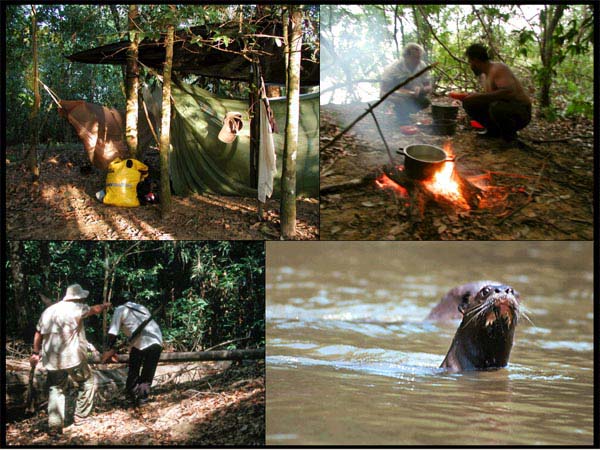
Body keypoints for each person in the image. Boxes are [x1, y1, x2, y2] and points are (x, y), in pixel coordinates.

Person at [30, 284, 111, 435]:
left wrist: (36, 352)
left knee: (56, 388)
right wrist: (105, 305)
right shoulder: (76, 308)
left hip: (52, 360)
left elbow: (38, 333)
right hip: (72, 358)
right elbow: (95, 309)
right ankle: (81, 417)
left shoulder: (49, 311)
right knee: (87, 382)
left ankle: (55, 425)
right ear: (78, 298)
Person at [462, 43, 532, 142]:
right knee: (470, 102)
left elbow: (508, 92)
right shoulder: (484, 76)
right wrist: (473, 97)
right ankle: (493, 131)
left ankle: (510, 138)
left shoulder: (498, 68)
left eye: (470, 62)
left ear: (476, 61)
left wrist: (479, 96)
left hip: (521, 112)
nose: (470, 66)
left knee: (497, 106)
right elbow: (489, 98)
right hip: (503, 107)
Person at [102, 300, 163, 406]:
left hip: (141, 343)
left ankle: (132, 397)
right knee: (147, 373)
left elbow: (113, 332)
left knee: (134, 370)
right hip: (157, 340)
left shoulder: (120, 309)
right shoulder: (141, 308)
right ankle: (141, 400)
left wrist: (109, 350)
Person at [380, 43, 432, 123]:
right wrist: (395, 99)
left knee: (425, 102)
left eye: (419, 58)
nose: (418, 61)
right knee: (402, 106)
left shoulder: (422, 65)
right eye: (414, 58)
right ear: (406, 57)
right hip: (396, 96)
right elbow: (382, 93)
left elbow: (428, 86)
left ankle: (407, 112)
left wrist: (421, 89)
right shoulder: (393, 68)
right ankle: (400, 114)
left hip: (413, 95)